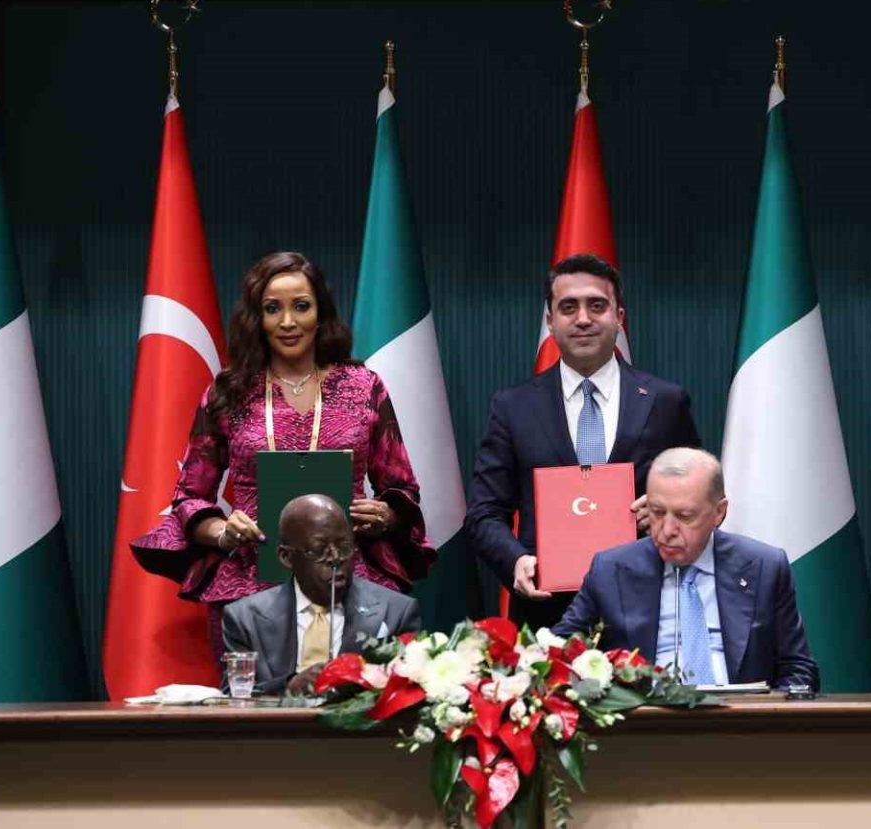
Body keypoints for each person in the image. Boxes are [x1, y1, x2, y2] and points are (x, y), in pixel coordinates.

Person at [131, 251, 435, 662]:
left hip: (349, 578)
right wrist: (222, 531)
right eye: (273, 309)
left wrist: (386, 514)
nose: (288, 322)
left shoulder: (364, 386)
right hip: (250, 586)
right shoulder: (227, 392)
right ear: (256, 318)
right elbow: (188, 498)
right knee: (255, 701)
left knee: (358, 697)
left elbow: (403, 491)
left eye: (301, 306)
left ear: (320, 313)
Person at [467, 253, 702, 629]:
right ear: (550, 321)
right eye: (568, 307)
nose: (583, 319)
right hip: (547, 613)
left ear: (619, 317)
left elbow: (701, 499)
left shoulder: (665, 401)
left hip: (650, 606)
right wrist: (516, 561)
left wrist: (666, 509)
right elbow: (484, 513)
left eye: (597, 305)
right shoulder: (513, 407)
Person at [554, 448, 818, 690]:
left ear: (719, 512)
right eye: (657, 512)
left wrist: (769, 719)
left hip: (741, 718)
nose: (667, 530)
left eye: (685, 516)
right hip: (645, 719)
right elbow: (556, 653)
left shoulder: (764, 567)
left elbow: (798, 668)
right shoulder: (610, 570)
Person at [222, 494, 423, 696]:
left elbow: (410, 692)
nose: (335, 558)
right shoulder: (244, 619)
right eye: (319, 550)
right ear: (287, 557)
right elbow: (233, 696)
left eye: (344, 547)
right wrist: (289, 687)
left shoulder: (396, 612)